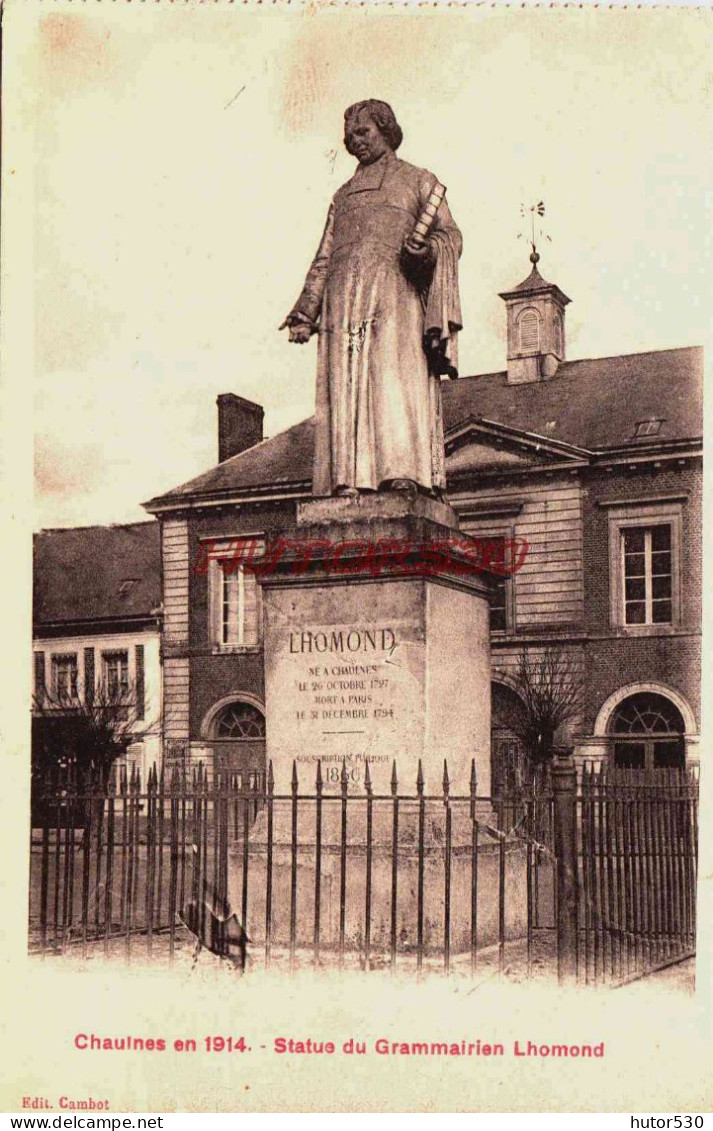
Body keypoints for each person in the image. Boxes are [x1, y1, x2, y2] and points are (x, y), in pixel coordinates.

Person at [280, 100, 463, 499]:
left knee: (392, 379)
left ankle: (402, 471)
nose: (356, 142)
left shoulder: (419, 180)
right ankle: (347, 478)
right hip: (343, 303)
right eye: (350, 137)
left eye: (364, 132)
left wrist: (428, 250)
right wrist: (305, 311)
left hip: (396, 296)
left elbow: (450, 236)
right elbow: (325, 255)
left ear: (386, 129)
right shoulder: (342, 195)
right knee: (346, 386)